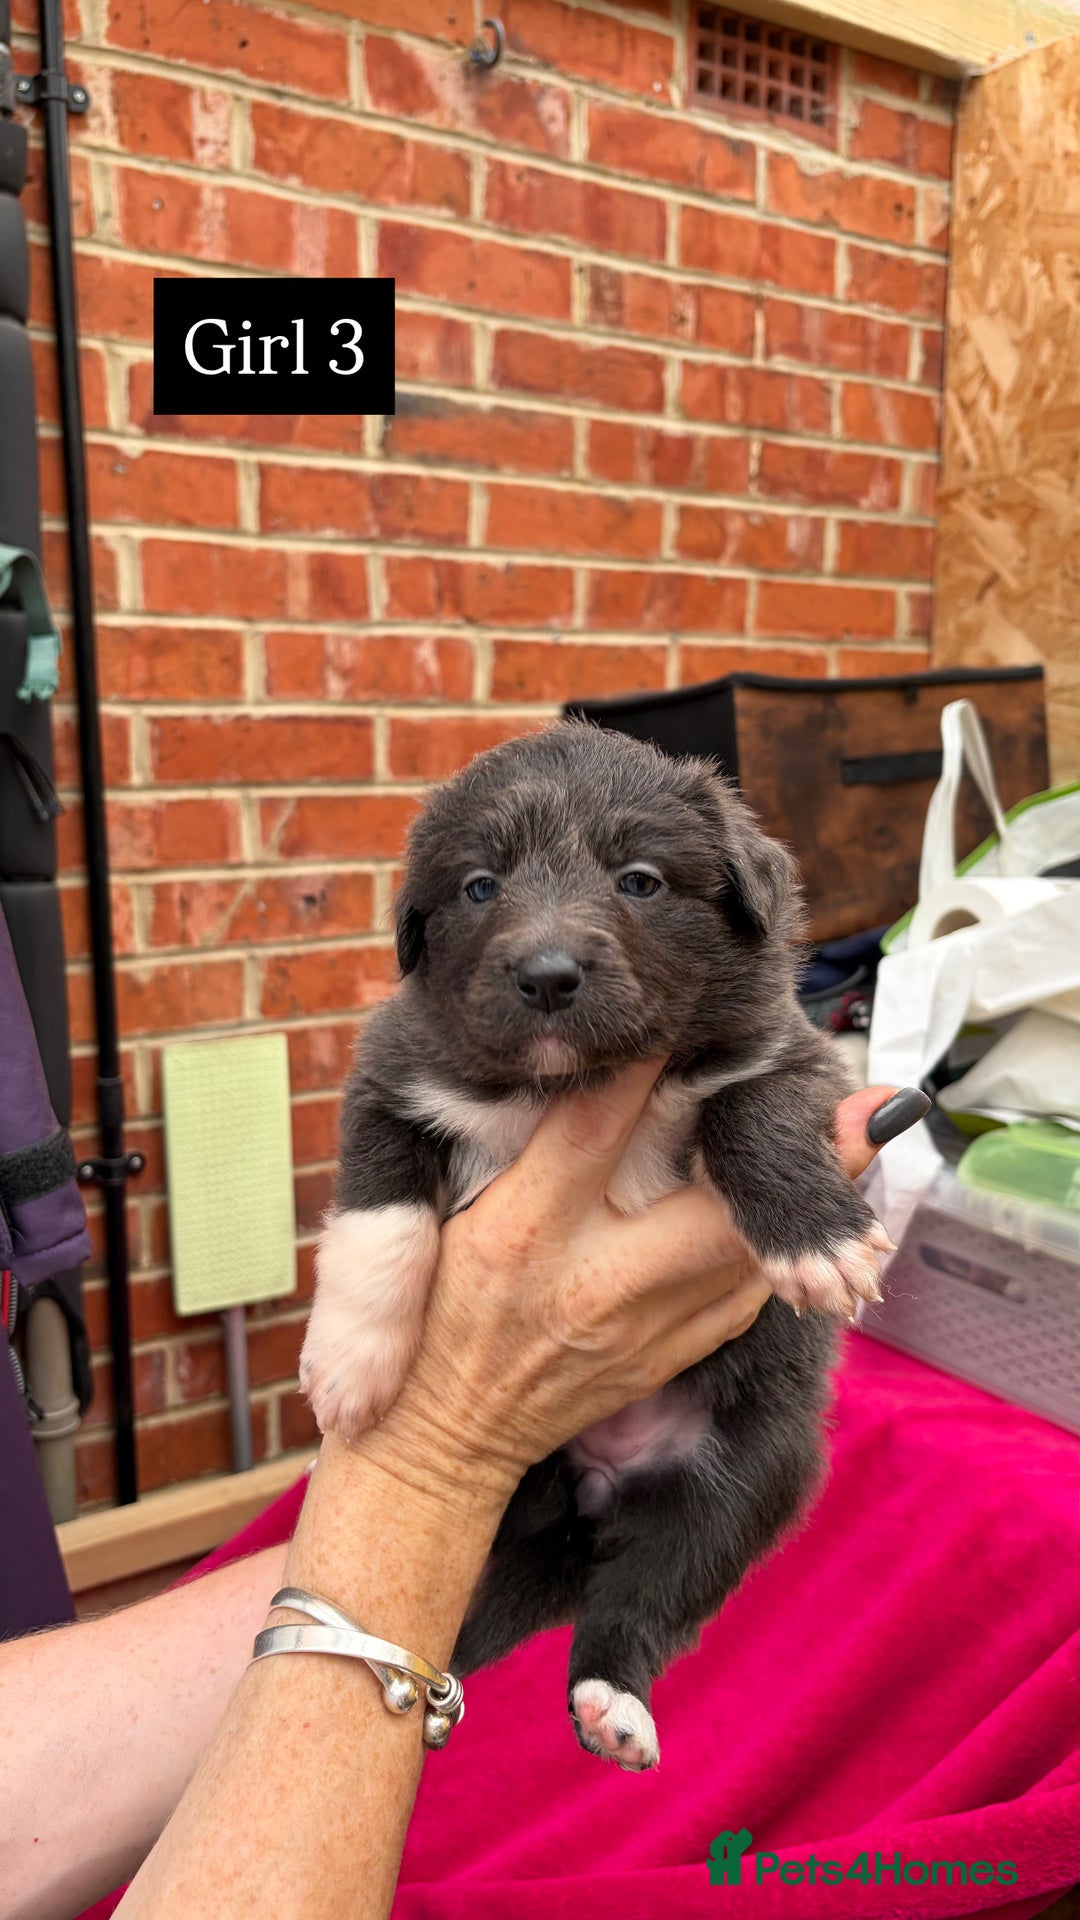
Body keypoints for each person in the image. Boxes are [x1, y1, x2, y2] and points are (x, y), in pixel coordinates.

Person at [0, 1064, 917, 1920]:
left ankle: (613, 1653)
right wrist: (429, 1458)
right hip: (542, 1454)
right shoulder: (443, 1054)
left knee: (713, 1505)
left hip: (701, 1414)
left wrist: (399, 1531)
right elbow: (395, 1123)